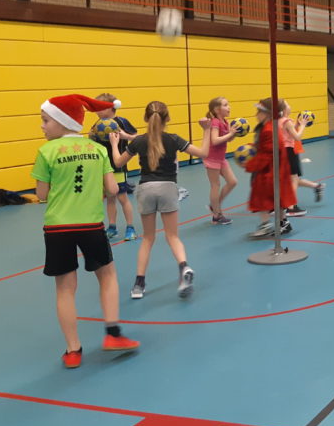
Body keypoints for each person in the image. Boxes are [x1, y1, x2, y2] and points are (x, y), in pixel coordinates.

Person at [32, 93, 139, 369]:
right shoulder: (97, 149)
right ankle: (113, 333)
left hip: (57, 227)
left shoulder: (46, 152)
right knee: (108, 276)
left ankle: (73, 350)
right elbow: (113, 189)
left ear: (62, 121)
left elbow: (41, 194)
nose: (42, 126)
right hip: (91, 225)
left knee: (65, 289)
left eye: (46, 120)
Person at [109, 101, 209, 300]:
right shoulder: (173, 139)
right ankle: (184, 267)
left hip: (146, 189)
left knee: (148, 239)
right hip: (168, 188)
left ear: (146, 118)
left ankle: (139, 284)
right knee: (173, 237)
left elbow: (118, 162)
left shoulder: (138, 141)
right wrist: (206, 130)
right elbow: (203, 153)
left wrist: (114, 144)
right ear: (168, 118)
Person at [246, 97, 297, 238]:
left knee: (262, 199)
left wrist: (250, 165)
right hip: (275, 170)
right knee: (277, 198)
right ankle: (283, 222)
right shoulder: (268, 128)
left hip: (270, 172)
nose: (256, 114)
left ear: (268, 114)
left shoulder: (269, 130)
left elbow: (268, 155)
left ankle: (266, 226)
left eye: (259, 112)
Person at [92, 93, 138, 242]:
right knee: (110, 198)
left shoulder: (122, 122)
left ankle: (130, 227)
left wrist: (126, 136)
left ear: (111, 107)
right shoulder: (97, 124)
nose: (97, 111)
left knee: (122, 197)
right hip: (103, 168)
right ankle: (112, 227)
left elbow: (137, 138)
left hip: (118, 167)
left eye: (100, 107)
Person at [280, 101, 324, 216]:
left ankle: (316, 186)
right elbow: (297, 137)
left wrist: (296, 125)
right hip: (289, 151)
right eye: (287, 104)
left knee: (290, 179)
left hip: (281, 151)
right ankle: (291, 207)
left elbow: (287, 132)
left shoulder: (279, 121)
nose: (290, 106)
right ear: (284, 109)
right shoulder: (287, 121)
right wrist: (303, 125)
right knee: (294, 179)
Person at [202, 96, 239, 225]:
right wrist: (230, 134)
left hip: (221, 158)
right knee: (215, 185)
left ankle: (215, 205)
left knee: (232, 182)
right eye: (225, 105)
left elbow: (228, 139)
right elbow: (215, 140)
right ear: (217, 109)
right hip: (212, 158)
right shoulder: (215, 122)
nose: (229, 107)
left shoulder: (225, 121)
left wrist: (233, 134)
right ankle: (216, 215)